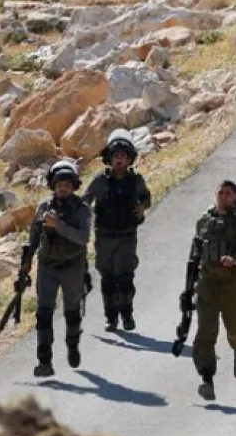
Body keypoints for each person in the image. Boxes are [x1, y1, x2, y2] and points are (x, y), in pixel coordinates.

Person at [187, 180, 236, 400]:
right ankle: (207, 378)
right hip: (207, 284)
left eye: (227, 193)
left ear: (235, 197)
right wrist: (189, 288)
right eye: (220, 192)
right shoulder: (204, 221)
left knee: (234, 327)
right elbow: (195, 253)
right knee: (205, 331)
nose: (223, 196)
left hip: (232, 284)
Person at [22, 160, 92, 378]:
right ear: (53, 185)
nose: (63, 188)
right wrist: (25, 265)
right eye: (60, 184)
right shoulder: (43, 207)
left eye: (68, 185)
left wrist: (58, 226)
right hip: (48, 267)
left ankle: (72, 344)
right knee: (44, 314)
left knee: (72, 311)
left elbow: (83, 238)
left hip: (73, 266)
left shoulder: (82, 210)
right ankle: (45, 362)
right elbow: (33, 238)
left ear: (74, 187)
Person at [81, 129, 151, 331]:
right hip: (104, 237)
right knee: (108, 279)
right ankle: (111, 318)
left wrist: (142, 207)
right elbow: (85, 200)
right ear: (109, 158)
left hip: (127, 236)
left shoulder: (136, 181)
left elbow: (146, 198)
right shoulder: (100, 181)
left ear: (129, 159)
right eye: (116, 156)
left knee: (125, 278)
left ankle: (127, 314)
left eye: (123, 156)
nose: (119, 160)